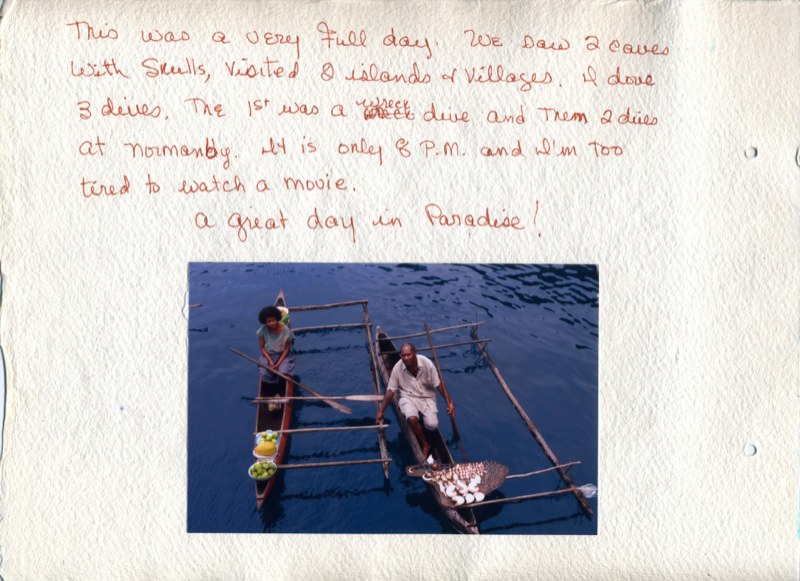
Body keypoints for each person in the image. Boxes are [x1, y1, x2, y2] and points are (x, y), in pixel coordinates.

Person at [375, 342, 455, 459]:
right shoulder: (397, 368)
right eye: (403, 355)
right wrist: (381, 411)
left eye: (408, 355)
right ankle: (425, 443)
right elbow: (391, 391)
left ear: (415, 354)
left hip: (427, 397)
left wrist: (450, 401)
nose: (406, 358)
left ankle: (426, 430)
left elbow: (439, 385)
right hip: (408, 397)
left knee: (432, 425)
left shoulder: (427, 363)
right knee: (412, 418)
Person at [256, 305, 296, 410]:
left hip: (284, 355)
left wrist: (277, 364)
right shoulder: (262, 331)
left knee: (283, 372)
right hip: (268, 355)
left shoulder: (286, 330)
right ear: (265, 322)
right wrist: (270, 362)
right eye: (268, 322)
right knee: (264, 372)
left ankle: (281, 392)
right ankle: (272, 393)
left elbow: (287, 349)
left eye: (273, 320)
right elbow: (262, 348)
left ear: (277, 319)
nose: (271, 323)